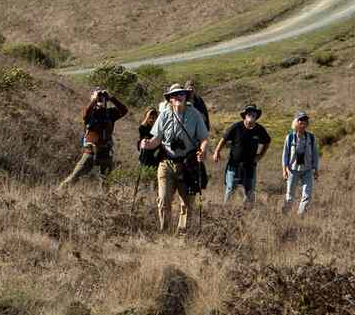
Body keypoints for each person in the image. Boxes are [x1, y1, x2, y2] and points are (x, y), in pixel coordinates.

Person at [140, 84, 211, 234]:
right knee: (163, 200)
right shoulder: (164, 115)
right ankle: (165, 232)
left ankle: (182, 235)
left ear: (185, 97)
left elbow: (204, 138)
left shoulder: (195, 115)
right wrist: (147, 144)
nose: (178, 97)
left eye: (181, 94)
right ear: (170, 99)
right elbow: (157, 140)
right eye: (174, 95)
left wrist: (203, 151)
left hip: (187, 164)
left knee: (186, 204)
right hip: (166, 163)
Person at [57, 88, 130, 186]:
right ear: (92, 99)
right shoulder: (90, 114)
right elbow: (84, 114)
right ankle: (58, 193)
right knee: (73, 178)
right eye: (98, 99)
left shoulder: (110, 113)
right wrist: (94, 99)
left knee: (106, 184)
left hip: (106, 153)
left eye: (102, 99)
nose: (100, 100)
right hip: (90, 152)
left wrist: (111, 98)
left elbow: (124, 110)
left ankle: (106, 200)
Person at [213, 104, 272, 205]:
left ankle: (248, 212)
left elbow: (267, 141)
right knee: (231, 188)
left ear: (256, 116)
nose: (251, 115)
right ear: (245, 115)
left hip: (250, 165)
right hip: (234, 164)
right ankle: (225, 210)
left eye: (254, 113)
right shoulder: (236, 127)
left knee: (250, 191)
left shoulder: (259, 129)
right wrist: (217, 152)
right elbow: (224, 139)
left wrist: (260, 155)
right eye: (249, 113)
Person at [281, 111, 319, 216]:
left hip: (307, 170)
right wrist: (284, 170)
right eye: (301, 120)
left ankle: (300, 216)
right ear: (296, 122)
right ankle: (284, 215)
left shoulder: (311, 137)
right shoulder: (290, 137)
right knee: (290, 196)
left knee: (307, 195)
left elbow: (315, 154)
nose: (303, 122)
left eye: (305, 120)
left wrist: (316, 169)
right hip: (293, 170)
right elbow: (285, 155)